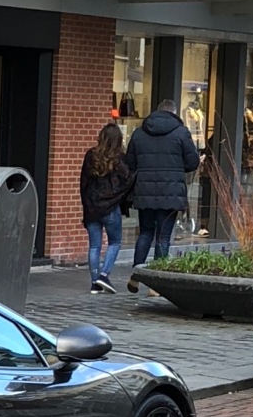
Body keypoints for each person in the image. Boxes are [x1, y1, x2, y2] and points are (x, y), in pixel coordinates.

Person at [125, 98, 200, 290]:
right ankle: (156, 285)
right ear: (174, 113)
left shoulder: (139, 133)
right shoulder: (181, 132)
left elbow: (130, 162)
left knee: (145, 233)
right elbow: (192, 163)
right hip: (171, 192)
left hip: (145, 192)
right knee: (163, 237)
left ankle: (135, 275)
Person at [80, 122, 133, 294]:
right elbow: (127, 181)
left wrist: (86, 206)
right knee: (115, 242)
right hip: (110, 208)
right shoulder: (119, 159)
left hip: (93, 207)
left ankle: (94, 282)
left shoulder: (91, 156)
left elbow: (84, 183)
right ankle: (104, 274)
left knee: (94, 246)